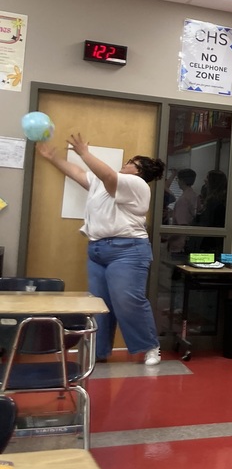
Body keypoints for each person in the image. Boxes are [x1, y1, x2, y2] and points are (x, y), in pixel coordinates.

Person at [36, 134, 167, 365]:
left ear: (138, 172)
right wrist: (53, 157)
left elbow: (106, 173)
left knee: (128, 301)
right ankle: (99, 352)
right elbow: (77, 173)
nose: (125, 164)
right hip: (97, 251)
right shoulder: (102, 183)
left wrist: (84, 152)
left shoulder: (137, 185)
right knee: (98, 304)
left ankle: (150, 346)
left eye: (130, 163)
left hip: (127, 251)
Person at [167, 168, 198, 254]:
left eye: (177, 179)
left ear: (182, 181)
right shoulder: (193, 195)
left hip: (179, 245)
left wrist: (167, 237)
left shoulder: (183, 200)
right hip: (186, 241)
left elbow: (182, 224)